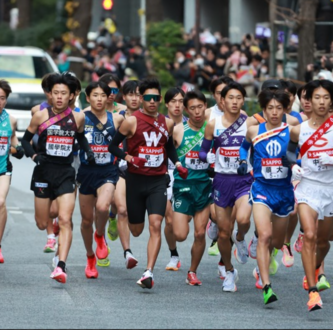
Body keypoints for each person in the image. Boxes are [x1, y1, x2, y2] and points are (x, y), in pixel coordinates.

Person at [108, 78, 188, 289]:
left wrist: (178, 163)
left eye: (155, 98)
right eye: (148, 98)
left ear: (160, 99)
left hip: (157, 181)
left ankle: (149, 272)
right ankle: (120, 228)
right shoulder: (131, 121)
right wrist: (129, 158)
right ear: (142, 99)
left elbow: (169, 147)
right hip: (135, 180)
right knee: (136, 230)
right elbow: (112, 146)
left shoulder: (167, 123)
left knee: (156, 225)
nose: (152, 102)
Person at [21, 74, 95, 284]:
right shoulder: (40, 116)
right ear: (50, 95)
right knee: (41, 222)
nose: (60, 97)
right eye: (56, 93)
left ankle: (61, 265)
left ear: (71, 95)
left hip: (66, 173)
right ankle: (51, 229)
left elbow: (79, 136)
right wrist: (34, 155)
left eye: (64, 93)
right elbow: (26, 141)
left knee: (65, 219)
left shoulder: (78, 117)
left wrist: (87, 151)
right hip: (44, 173)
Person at [239, 89, 295, 305]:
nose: (274, 112)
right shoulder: (253, 130)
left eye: (279, 108)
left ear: (285, 110)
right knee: (264, 235)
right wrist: (244, 162)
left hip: (284, 191)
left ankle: (266, 260)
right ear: (263, 109)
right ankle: (267, 285)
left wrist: (294, 163)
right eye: (270, 108)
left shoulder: (292, 131)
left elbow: (298, 154)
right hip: (261, 188)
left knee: (277, 241)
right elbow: (244, 149)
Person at [200, 82, 253, 292]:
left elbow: (257, 150)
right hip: (222, 180)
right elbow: (203, 151)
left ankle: (240, 238)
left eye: (239, 97)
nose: (234, 102)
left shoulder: (249, 123)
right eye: (230, 97)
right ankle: (229, 271)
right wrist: (209, 157)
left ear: (243, 100)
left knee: (243, 219)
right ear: (222, 100)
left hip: (243, 181)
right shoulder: (213, 124)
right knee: (223, 233)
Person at [287, 79, 333, 312]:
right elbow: (289, 152)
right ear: (308, 101)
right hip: (307, 187)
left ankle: (313, 268)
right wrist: (293, 166)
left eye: (326, 97)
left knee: (325, 241)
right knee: (310, 234)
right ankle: (313, 292)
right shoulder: (298, 129)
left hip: (331, 189)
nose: (322, 102)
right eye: (317, 97)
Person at [78, 81, 124, 278]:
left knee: (103, 207)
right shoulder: (80, 118)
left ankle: (100, 235)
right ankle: (90, 258)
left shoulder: (117, 119)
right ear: (88, 98)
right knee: (86, 220)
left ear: (109, 98)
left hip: (108, 171)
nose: (99, 99)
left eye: (103, 95)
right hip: (87, 171)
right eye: (94, 95)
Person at [170, 90, 212, 286]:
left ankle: (192, 271)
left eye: (200, 107)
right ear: (187, 110)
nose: (197, 112)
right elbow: (167, 152)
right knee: (180, 234)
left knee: (200, 233)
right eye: (193, 108)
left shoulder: (211, 128)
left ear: (206, 106)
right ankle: (181, 214)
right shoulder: (178, 130)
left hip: (204, 185)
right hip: (183, 186)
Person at [112, 80, 141, 269]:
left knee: (136, 223)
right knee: (122, 209)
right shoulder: (116, 118)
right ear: (124, 96)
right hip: (120, 169)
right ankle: (127, 252)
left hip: (144, 173)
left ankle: (111, 217)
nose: (135, 98)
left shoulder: (151, 118)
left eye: (139, 94)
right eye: (131, 94)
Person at [31, 73, 61, 254]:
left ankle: (59, 221)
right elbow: (33, 136)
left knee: (56, 209)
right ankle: (50, 237)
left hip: (66, 163)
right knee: (45, 214)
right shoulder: (37, 111)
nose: (56, 96)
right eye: (51, 92)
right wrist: (37, 153)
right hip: (45, 162)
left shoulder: (73, 112)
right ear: (46, 92)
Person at [0, 80, 24, 263]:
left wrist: (17, 148)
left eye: (2, 98)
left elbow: (14, 140)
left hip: (3, 169)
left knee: (0, 202)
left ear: (6, 100)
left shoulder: (11, 120)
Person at [163, 87, 187, 271]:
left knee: (183, 225)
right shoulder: (160, 124)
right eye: (173, 101)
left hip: (189, 177)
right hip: (165, 175)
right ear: (166, 104)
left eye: (180, 101)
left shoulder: (192, 124)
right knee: (169, 221)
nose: (177, 105)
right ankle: (173, 254)